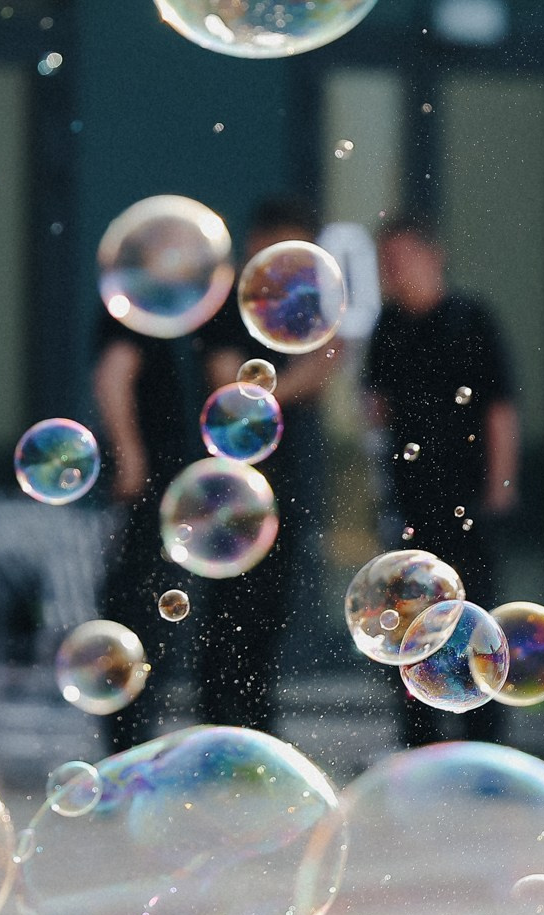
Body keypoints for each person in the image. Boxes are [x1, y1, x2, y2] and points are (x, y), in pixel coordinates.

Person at [360, 216, 519, 748]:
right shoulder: (388, 326)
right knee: (407, 618)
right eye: (386, 262)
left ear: (434, 255)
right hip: (410, 499)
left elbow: (499, 409)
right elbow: (374, 408)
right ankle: (420, 740)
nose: (391, 271)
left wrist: (500, 485)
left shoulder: (471, 320)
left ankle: (483, 738)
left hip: (466, 495)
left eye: (399, 259)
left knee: (473, 614)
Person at [196, 197, 339, 734]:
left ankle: (257, 717)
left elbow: (329, 363)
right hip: (231, 479)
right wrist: (288, 387)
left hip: (289, 473)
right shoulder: (229, 307)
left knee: (272, 601)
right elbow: (230, 387)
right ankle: (220, 718)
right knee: (230, 596)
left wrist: (276, 391)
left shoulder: (304, 307)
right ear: (255, 245)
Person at [92, 264, 214, 753]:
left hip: (178, 490)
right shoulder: (138, 310)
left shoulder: (178, 317)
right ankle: (127, 740)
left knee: (155, 613)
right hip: (154, 491)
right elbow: (112, 378)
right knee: (140, 608)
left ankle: (132, 736)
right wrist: (131, 457)